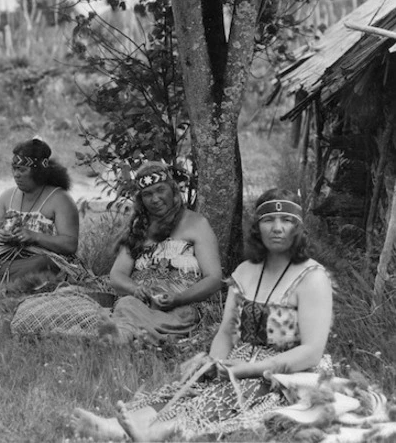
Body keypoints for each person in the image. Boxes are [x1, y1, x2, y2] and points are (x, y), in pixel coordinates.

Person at [73, 188, 335, 441]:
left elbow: (311, 351)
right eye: (269, 220)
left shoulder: (312, 278)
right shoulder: (245, 272)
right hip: (241, 358)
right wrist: (214, 362)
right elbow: (227, 332)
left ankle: (165, 431)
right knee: (196, 383)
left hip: (286, 370)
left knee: (237, 392)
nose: (277, 228)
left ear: (299, 229)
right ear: (257, 228)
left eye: (287, 220)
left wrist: (246, 369)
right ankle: (119, 425)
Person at [99, 161, 222, 345]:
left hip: (183, 304)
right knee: (127, 304)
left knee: (180, 315)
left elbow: (214, 278)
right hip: (142, 304)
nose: (155, 199)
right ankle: (129, 336)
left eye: (160, 190)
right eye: (147, 194)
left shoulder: (197, 224)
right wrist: (136, 289)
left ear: (173, 190)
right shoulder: (137, 228)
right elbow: (117, 275)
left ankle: (128, 336)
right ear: (141, 200)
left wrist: (178, 299)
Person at [0, 137, 79, 285]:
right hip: (7, 260)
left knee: (43, 265)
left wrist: (35, 236)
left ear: (38, 172)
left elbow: (70, 245)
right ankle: (14, 283)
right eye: (14, 168)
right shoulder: (7, 196)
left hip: (41, 260)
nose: (16, 174)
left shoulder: (60, 199)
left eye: (22, 169)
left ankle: (7, 284)